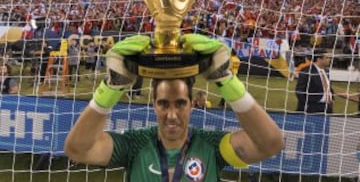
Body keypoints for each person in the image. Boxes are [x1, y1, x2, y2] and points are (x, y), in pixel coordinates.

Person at [64, 34, 284, 181]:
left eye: (180, 103)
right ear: (154, 105)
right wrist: (110, 89)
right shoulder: (134, 145)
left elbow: (271, 143)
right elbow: (77, 149)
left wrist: (226, 81)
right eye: (163, 104)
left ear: (192, 105)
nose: (171, 114)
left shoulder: (211, 147)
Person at [295, 48, 334, 113]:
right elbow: (299, 90)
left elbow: (328, 86)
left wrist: (331, 97)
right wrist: (307, 105)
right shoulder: (307, 71)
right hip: (313, 108)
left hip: (327, 107)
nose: (329, 60)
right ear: (319, 59)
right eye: (327, 58)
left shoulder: (326, 71)